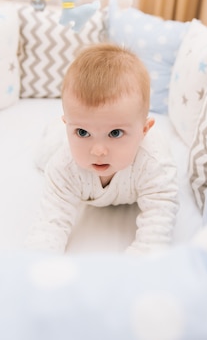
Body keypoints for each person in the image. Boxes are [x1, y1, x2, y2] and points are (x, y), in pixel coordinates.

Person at [25, 43, 179, 255]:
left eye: (115, 133)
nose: (98, 151)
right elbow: (49, 226)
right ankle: (57, 130)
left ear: (144, 130)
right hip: (58, 143)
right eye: (82, 132)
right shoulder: (64, 165)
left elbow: (158, 226)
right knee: (44, 157)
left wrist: (142, 261)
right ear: (68, 125)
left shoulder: (155, 165)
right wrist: (38, 262)